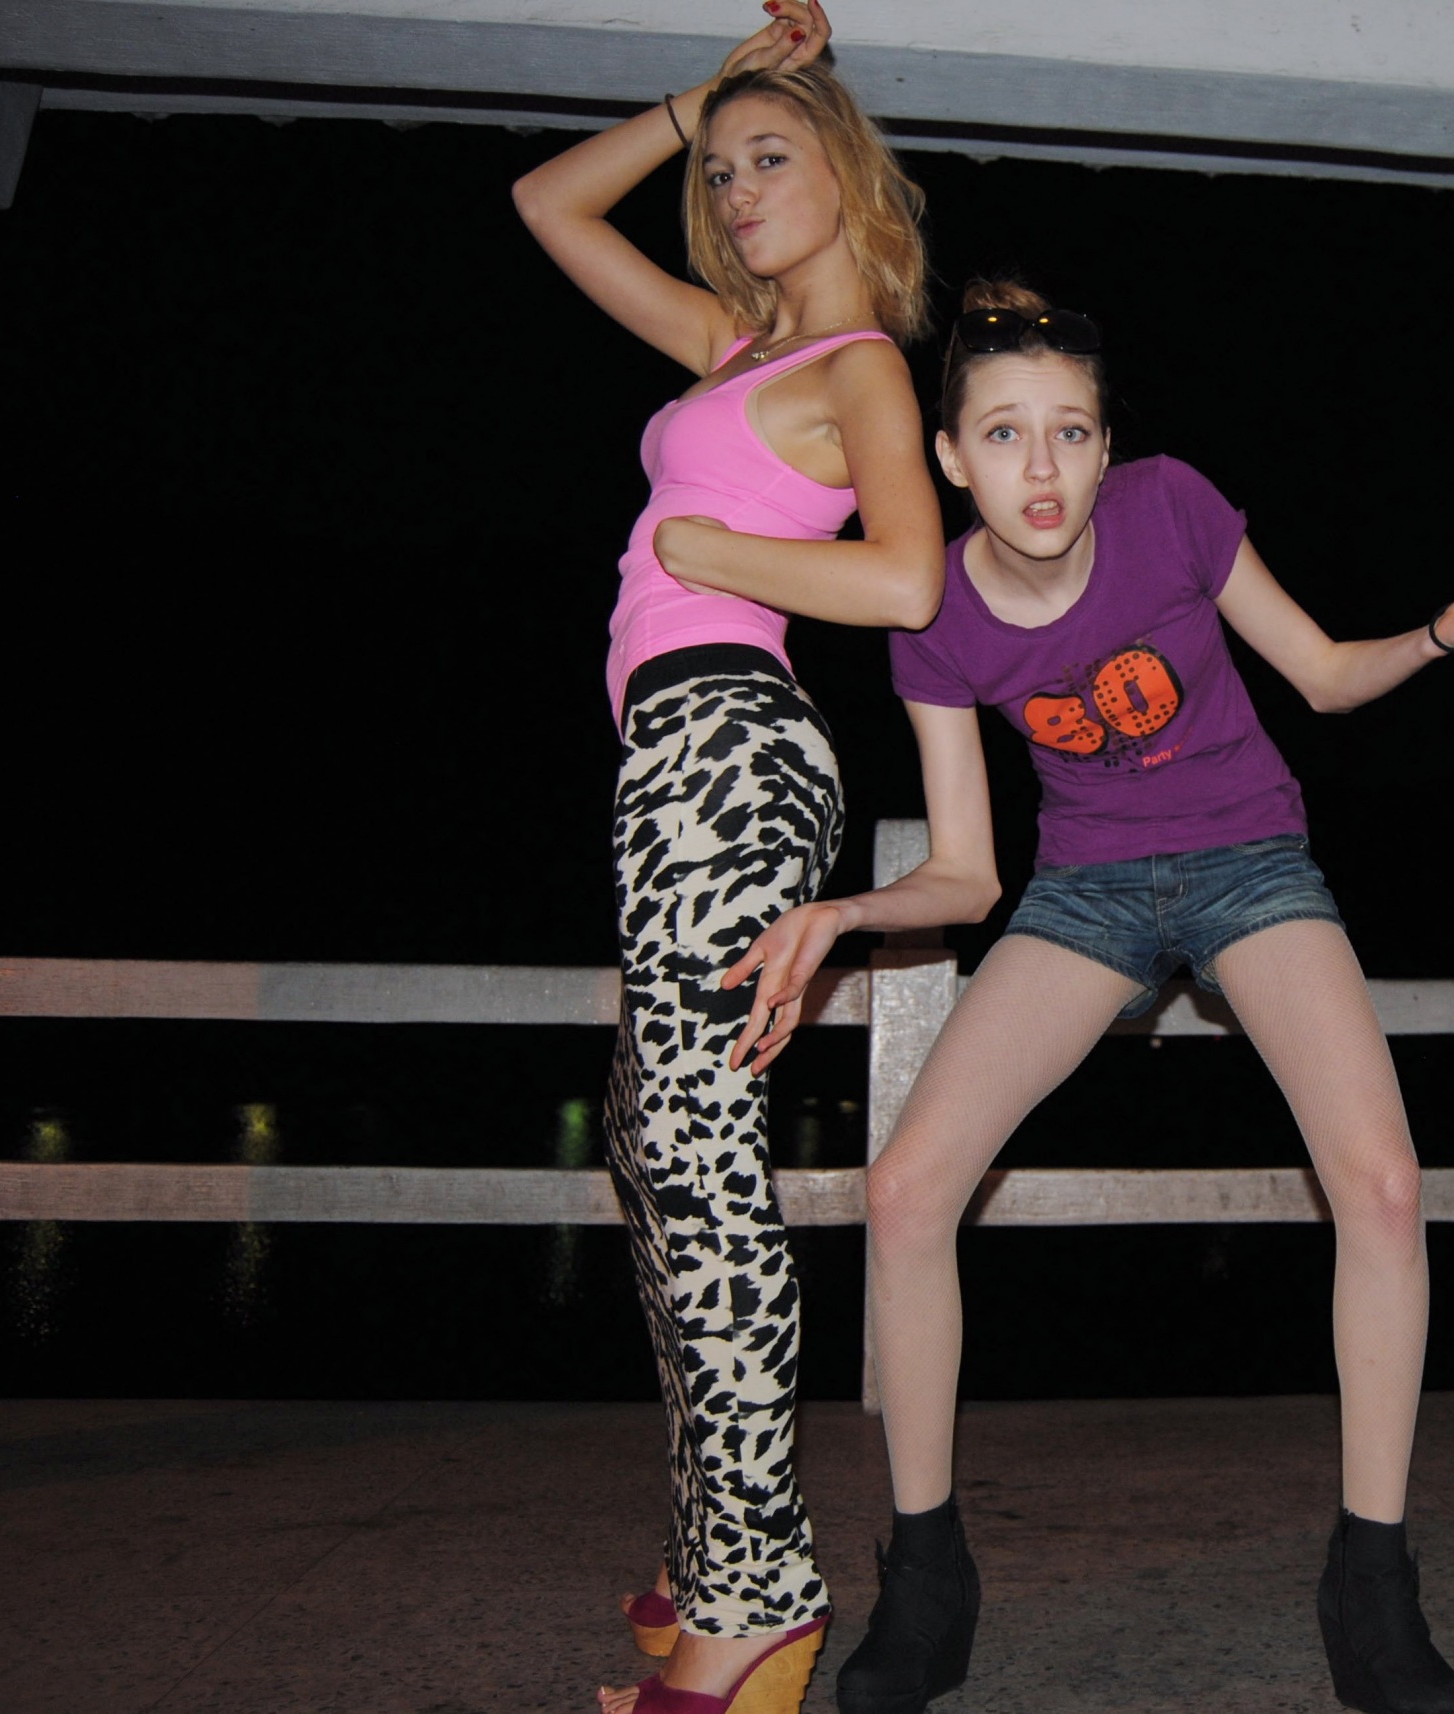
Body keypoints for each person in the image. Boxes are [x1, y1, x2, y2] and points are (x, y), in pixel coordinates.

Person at [720, 282, 1454, 1714]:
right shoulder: (932, 612)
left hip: (1252, 863)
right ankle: (927, 1578)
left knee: (1382, 1187)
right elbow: (965, 871)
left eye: (1071, 431)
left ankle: (1373, 1584)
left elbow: (1323, 676)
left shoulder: (1173, 508)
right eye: (1005, 433)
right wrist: (844, 910)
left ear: (1108, 445)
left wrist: (1440, 634)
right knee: (905, 1190)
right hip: (1084, 892)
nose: (1043, 467)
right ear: (948, 457)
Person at [510, 7, 943, 1711]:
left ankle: (759, 1591)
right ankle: (715, 1549)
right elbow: (547, 203)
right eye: (720, 170)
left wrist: (708, 544)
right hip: (675, 756)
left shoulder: (861, 369)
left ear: (849, 177)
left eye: (774, 157)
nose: (738, 187)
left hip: (734, 751)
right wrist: (709, 89)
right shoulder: (730, 349)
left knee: (702, 1156)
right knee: (653, 1141)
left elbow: (907, 578)